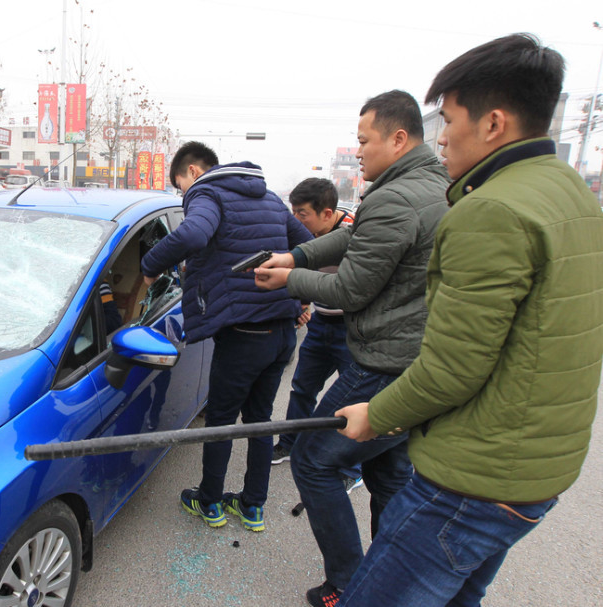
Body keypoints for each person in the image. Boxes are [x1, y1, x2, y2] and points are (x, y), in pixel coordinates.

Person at [334, 34, 603, 607]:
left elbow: (453, 368)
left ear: (494, 124)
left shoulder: (491, 211)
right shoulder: (570, 194)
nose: (442, 136)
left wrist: (375, 415)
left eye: (449, 118)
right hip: (533, 471)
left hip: (472, 479)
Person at [254, 90, 450, 607]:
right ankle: (392, 581)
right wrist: (295, 253)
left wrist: (289, 278)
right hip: (417, 359)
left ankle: (347, 583)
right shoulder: (430, 184)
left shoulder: (395, 197)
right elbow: (351, 238)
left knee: (315, 462)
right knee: (388, 472)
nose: (358, 151)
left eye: (364, 141)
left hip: (383, 362)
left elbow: (348, 290)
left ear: (398, 138)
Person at [141, 141, 313, 532]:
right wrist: (299, 294)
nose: (184, 196)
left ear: (194, 172)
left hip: (244, 336)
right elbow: (308, 245)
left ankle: (210, 501)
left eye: (181, 187)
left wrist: (150, 266)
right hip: (282, 332)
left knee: (220, 420)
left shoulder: (207, 192)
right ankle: (253, 506)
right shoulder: (268, 197)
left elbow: (193, 235)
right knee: (259, 420)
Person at [271, 178, 355, 468]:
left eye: (302, 213)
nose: (297, 220)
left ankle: (350, 467)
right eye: (294, 212)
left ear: (327, 214)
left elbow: (350, 285)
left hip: (353, 329)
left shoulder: (356, 235)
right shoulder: (304, 235)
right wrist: (302, 304)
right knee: (303, 388)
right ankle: (289, 443)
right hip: (321, 324)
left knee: (352, 398)